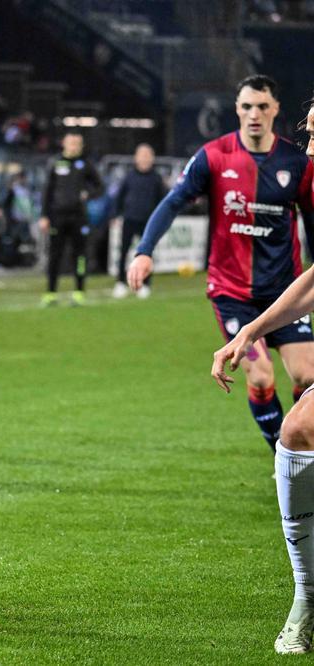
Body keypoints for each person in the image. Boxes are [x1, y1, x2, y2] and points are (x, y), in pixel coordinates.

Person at [130, 75, 314, 454]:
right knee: (260, 376)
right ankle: (282, 458)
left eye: (262, 106)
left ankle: (301, 447)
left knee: (306, 374)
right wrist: (145, 249)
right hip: (232, 293)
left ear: (275, 110)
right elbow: (173, 201)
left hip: (284, 289)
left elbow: (311, 220)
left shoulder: (296, 162)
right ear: (236, 109)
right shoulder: (214, 156)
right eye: (246, 106)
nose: (254, 114)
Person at [211, 92, 314, 656]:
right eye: (309, 132)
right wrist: (249, 332)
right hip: (239, 297)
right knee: (295, 431)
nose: (310, 147)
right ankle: (306, 597)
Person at [38, 132, 103, 306]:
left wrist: (88, 194)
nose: (74, 147)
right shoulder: (55, 163)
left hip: (78, 217)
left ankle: (79, 292)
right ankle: (51, 293)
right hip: (57, 217)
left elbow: (99, 187)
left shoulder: (85, 164)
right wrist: (44, 216)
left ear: (81, 146)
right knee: (54, 255)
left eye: (77, 144)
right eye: (71, 143)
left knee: (79, 255)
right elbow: (47, 191)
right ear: (64, 144)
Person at [111, 144, 167, 299]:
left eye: (147, 156)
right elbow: (119, 197)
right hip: (129, 219)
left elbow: (164, 201)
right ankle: (121, 283)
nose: (144, 159)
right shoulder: (129, 177)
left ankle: (145, 284)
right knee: (123, 252)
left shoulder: (156, 178)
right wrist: (115, 215)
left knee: (146, 253)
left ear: (152, 159)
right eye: (142, 155)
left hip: (148, 223)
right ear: (136, 158)